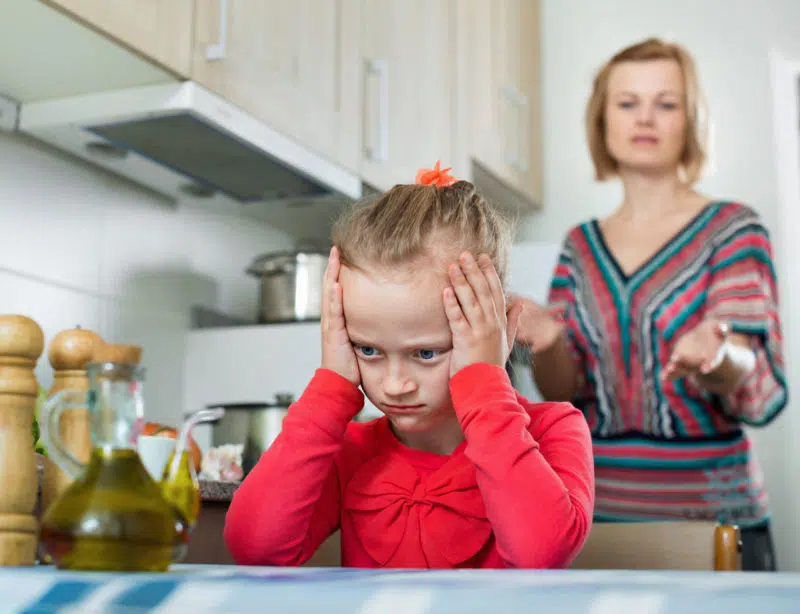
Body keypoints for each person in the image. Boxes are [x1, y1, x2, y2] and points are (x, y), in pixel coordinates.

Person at [224, 161, 595, 569]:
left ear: (500, 328)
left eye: (425, 353)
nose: (395, 384)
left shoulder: (554, 430)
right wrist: (331, 385)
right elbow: (253, 546)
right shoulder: (350, 451)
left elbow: (540, 553)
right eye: (368, 350)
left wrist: (484, 386)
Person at [513, 38, 787, 571]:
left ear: (690, 119)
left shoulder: (734, 229)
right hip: (593, 518)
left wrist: (718, 354)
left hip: (714, 525)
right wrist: (546, 342)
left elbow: (750, 377)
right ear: (603, 120)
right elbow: (563, 391)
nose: (646, 118)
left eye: (666, 103)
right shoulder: (579, 245)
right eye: (627, 103)